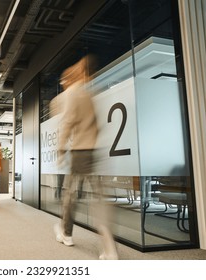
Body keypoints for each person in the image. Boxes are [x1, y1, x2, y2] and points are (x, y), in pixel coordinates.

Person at [53, 54, 118, 260]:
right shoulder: (91, 93)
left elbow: (67, 122)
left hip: (80, 152)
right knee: (98, 199)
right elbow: (97, 125)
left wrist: (61, 149)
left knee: (70, 195)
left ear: (78, 72)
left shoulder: (73, 93)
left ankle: (66, 233)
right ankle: (109, 247)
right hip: (93, 152)